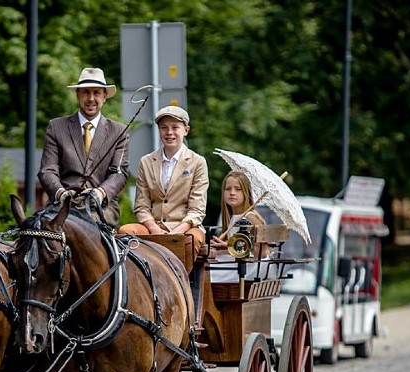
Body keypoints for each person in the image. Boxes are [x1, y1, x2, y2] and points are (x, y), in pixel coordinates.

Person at [38, 67, 129, 226]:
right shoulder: (56, 127)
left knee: (84, 226)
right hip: (61, 207)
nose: (91, 98)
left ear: (105, 96)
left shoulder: (119, 132)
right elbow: (47, 170)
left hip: (101, 209)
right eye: (86, 92)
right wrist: (61, 194)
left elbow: (119, 174)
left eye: (96, 93)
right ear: (77, 94)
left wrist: (100, 193)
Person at [117, 105, 208, 258]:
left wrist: (176, 233)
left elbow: (197, 210)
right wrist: (155, 230)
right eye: (164, 128)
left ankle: (180, 280)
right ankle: (141, 280)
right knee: (125, 232)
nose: (169, 133)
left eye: (175, 127)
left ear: (186, 130)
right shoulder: (146, 162)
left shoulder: (197, 162)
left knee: (193, 239)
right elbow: (141, 206)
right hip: (154, 226)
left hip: (185, 227)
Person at [208, 171, 268, 283]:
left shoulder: (250, 218)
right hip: (237, 262)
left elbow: (262, 253)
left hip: (247, 268)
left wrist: (228, 245)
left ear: (246, 193)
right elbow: (235, 250)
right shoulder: (234, 217)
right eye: (228, 189)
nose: (232, 193)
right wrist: (219, 249)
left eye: (238, 189)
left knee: (204, 274)